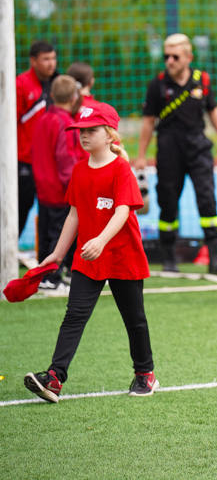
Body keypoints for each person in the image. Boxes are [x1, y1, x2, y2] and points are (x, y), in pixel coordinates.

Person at [24, 102, 159, 402]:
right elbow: (74, 215)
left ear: (110, 134)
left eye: (91, 131)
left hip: (122, 255)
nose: (84, 136)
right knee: (74, 316)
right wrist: (57, 254)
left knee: (134, 318)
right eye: (81, 131)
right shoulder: (79, 170)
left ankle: (145, 374)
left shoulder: (121, 169)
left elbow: (123, 211)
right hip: (87, 259)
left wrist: (100, 240)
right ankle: (55, 377)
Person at [134, 33, 217, 274]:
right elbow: (148, 122)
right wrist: (141, 155)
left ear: (189, 57)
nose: (169, 60)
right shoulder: (157, 84)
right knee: (168, 205)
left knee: (207, 201)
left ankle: (214, 256)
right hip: (168, 150)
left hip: (198, 148)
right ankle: (169, 257)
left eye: (175, 56)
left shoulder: (202, 80)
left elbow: (214, 110)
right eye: (166, 56)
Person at [31, 75, 88, 293]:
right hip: (60, 189)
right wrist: (74, 185)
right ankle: (53, 278)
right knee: (59, 233)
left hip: (43, 187)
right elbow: (66, 158)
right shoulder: (65, 123)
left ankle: (43, 276)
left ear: (52, 95)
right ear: (74, 97)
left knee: (45, 231)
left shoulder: (43, 119)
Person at [17, 40, 59, 237]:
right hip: (25, 161)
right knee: (20, 207)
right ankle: (7, 250)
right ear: (33, 61)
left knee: (51, 210)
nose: (51, 63)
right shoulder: (21, 85)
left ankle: (49, 259)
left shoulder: (58, 84)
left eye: (53, 58)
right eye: (46, 59)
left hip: (51, 162)